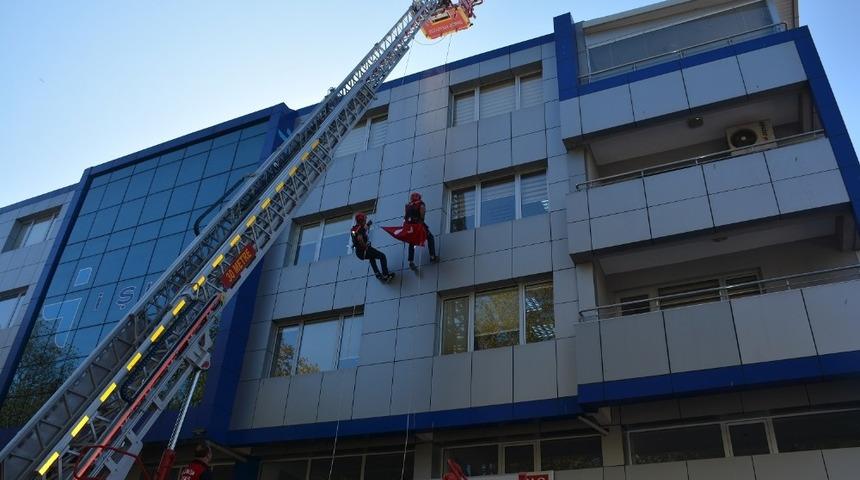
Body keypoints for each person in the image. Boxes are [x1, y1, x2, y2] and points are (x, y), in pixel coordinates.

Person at [351, 212, 394, 282]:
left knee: (372, 257)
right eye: (364, 220)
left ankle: (378, 275)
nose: (365, 221)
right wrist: (365, 247)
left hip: (360, 253)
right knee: (382, 256)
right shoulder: (358, 229)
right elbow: (360, 238)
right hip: (363, 251)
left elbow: (363, 230)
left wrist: (368, 224)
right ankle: (386, 275)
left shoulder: (355, 229)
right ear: (361, 221)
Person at [404, 192, 438, 269]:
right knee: (430, 237)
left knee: (411, 242)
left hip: (411, 227)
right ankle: (432, 256)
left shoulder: (408, 205)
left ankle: (411, 261)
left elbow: (406, 217)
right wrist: (421, 220)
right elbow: (422, 212)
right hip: (419, 224)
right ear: (419, 197)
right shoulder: (421, 203)